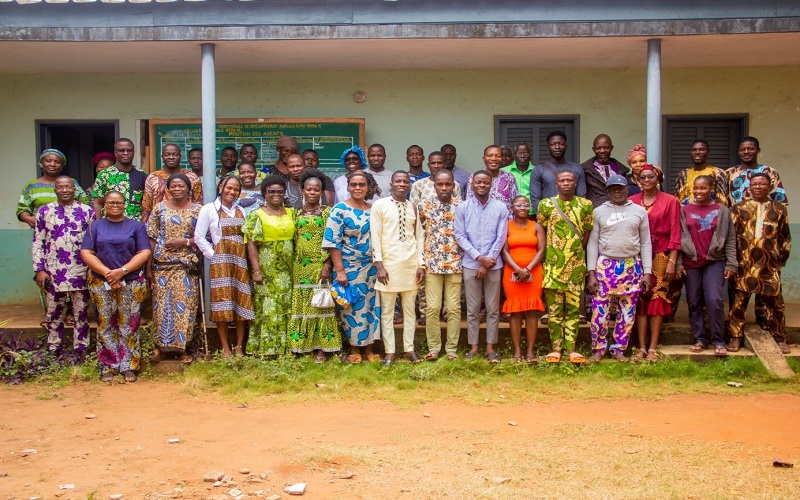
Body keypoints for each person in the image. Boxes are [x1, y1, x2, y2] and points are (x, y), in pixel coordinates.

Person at [81, 191, 151, 383]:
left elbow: (144, 251)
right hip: (101, 281)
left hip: (131, 281)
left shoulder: (135, 226)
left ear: (124, 204)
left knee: (129, 324)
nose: (114, 205)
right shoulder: (95, 226)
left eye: (118, 202)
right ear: (104, 205)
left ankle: (129, 366)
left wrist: (122, 271)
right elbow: (87, 252)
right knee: (105, 323)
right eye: (110, 202)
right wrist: (108, 273)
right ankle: (108, 365)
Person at [586, 174, 652, 363]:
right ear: (607, 191)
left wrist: (647, 272)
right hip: (605, 265)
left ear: (627, 189)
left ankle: (618, 349)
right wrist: (591, 272)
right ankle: (598, 349)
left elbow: (646, 243)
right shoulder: (599, 212)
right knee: (600, 311)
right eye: (613, 189)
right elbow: (592, 243)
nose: (617, 192)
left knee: (627, 311)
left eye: (620, 188)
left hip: (631, 266)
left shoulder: (639, 212)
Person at [726, 136, 788, 329]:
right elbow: (724, 202)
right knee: (738, 292)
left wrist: (781, 256)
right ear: (738, 151)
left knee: (770, 294)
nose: (747, 152)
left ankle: (767, 324)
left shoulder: (769, 172)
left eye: (751, 149)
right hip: (741, 236)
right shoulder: (730, 173)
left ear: (757, 150)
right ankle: (735, 331)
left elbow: (782, 221)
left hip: (767, 244)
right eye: (743, 149)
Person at [728, 172, 792, 353]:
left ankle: (779, 337)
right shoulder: (739, 208)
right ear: (749, 187)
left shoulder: (779, 208)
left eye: (762, 184)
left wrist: (781, 259)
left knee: (775, 304)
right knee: (738, 304)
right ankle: (735, 337)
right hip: (744, 264)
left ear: (770, 187)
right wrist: (732, 261)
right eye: (755, 184)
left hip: (769, 265)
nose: (758, 187)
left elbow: (784, 236)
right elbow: (732, 237)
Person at [32, 176, 94, 358]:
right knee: (53, 312)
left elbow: (94, 242)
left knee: (81, 312)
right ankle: (54, 349)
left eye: (68, 187)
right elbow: (38, 242)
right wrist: (39, 269)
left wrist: (92, 267)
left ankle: (81, 350)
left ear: (74, 189)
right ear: (55, 190)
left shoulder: (87, 211)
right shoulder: (45, 212)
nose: (65, 190)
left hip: (80, 268)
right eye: (61, 187)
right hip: (52, 270)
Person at [323, 170, 381, 363]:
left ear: (368, 187)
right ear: (348, 187)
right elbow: (333, 242)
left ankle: (370, 349)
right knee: (352, 308)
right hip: (349, 267)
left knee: (372, 308)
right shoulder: (339, 209)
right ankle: (354, 348)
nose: (357, 188)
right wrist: (339, 270)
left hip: (372, 267)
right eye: (354, 185)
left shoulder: (374, 208)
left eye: (361, 184)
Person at [195, 176, 254, 358]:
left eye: (236, 189)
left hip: (240, 260)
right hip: (220, 261)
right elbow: (199, 237)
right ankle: (225, 348)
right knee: (222, 304)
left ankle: (238, 347)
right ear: (221, 187)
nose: (232, 192)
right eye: (229, 188)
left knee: (240, 302)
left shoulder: (242, 211)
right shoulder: (209, 209)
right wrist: (215, 256)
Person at [537, 171, 594, 364]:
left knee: (572, 311)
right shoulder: (546, 205)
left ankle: (572, 349)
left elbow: (586, 233)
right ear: (556, 184)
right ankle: (555, 349)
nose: (566, 183)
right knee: (553, 311)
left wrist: (575, 251)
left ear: (575, 183)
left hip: (576, 268)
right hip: (553, 267)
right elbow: (541, 231)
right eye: (562, 180)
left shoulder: (585, 205)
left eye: (570, 180)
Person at [677, 176, 737, 356]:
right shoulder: (684, 210)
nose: (698, 192)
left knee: (714, 299)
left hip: (714, 261)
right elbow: (679, 239)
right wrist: (679, 263)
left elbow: (730, 238)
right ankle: (700, 338)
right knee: (694, 301)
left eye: (703, 188)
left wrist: (732, 263)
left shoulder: (722, 211)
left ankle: (718, 340)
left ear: (712, 188)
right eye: (696, 188)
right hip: (691, 262)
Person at [371, 171, 425, 366]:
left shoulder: (413, 208)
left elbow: (419, 237)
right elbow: (375, 235)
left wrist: (421, 264)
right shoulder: (380, 205)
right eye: (398, 181)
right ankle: (390, 352)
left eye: (405, 181)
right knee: (387, 311)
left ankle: (409, 349)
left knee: (410, 310)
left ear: (409, 185)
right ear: (391, 184)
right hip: (388, 266)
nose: (402, 184)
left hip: (410, 265)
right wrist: (379, 265)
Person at [146, 174, 201, 364]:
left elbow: (205, 237)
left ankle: (183, 349)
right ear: (168, 188)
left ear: (188, 189)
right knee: (161, 307)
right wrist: (148, 267)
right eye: (174, 186)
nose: (177, 189)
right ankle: (162, 348)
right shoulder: (159, 208)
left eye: (181, 186)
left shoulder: (198, 210)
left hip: (185, 266)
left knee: (185, 308)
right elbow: (151, 238)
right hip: (161, 266)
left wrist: (184, 241)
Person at [628, 165, 681, 362]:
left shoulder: (670, 201)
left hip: (661, 255)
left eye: (651, 176)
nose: (647, 179)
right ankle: (640, 347)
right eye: (643, 177)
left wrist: (672, 261)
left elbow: (676, 232)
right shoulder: (631, 201)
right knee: (640, 298)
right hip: (637, 255)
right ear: (637, 180)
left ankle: (652, 348)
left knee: (657, 298)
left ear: (658, 178)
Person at [455, 170, 508, 363]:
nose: (482, 185)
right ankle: (473, 347)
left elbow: (501, 236)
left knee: (494, 308)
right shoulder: (463, 207)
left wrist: (488, 260)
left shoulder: (500, 207)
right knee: (472, 308)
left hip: (494, 264)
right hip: (470, 263)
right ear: (472, 184)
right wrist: (479, 258)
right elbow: (460, 236)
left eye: (486, 182)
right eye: (478, 182)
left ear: (491, 185)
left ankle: (490, 347)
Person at [287, 170, 340, 360]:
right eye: (309, 189)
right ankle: (303, 346)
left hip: (320, 264)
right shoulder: (295, 213)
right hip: (300, 266)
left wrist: (328, 265)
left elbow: (332, 240)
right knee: (303, 306)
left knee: (321, 305)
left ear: (321, 192)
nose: (312, 193)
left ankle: (322, 349)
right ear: (302, 191)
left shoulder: (328, 212)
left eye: (316, 190)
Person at [243, 175, 295, 356]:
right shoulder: (257, 215)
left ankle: (286, 348)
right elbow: (251, 244)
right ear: (264, 193)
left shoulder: (291, 213)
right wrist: (256, 270)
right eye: (271, 191)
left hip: (287, 269)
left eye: (280, 191)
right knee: (268, 307)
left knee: (285, 305)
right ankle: (267, 348)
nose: (276, 194)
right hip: (267, 267)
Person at [417, 170, 462, 361]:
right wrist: (420, 262)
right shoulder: (423, 206)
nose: (444, 188)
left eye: (448, 184)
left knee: (453, 308)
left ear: (453, 185)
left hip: (455, 264)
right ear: (434, 185)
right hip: (432, 264)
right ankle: (434, 349)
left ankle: (451, 349)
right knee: (433, 308)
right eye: (440, 184)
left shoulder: (462, 207)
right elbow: (418, 235)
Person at [501, 195, 545, 363]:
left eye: (526, 204)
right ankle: (517, 351)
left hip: (533, 273)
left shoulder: (536, 226)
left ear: (530, 208)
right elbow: (504, 251)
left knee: (532, 311)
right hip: (512, 273)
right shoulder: (506, 226)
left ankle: (530, 351)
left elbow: (541, 250)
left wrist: (527, 269)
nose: (522, 207)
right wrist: (518, 269)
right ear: (512, 207)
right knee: (516, 312)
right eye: (518, 204)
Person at [17, 149, 89, 228]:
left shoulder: (72, 183)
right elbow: (22, 209)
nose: (52, 164)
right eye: (48, 161)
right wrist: (29, 219)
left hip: (72, 230)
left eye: (57, 162)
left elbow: (85, 205)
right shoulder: (32, 186)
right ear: (41, 163)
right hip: (43, 231)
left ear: (62, 166)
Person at [141, 143, 202, 225]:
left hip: (187, 225)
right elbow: (146, 206)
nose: (171, 157)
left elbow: (198, 203)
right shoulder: (152, 178)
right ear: (162, 157)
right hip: (159, 225)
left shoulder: (192, 177)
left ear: (180, 156)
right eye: (167, 154)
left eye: (175, 154)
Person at [529, 131, 587, 215]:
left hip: (572, 219)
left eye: (561, 144)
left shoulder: (577, 169)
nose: (557, 147)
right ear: (548, 147)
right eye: (553, 144)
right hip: (548, 219)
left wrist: (572, 216)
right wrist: (550, 216)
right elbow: (535, 200)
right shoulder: (538, 170)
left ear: (566, 146)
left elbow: (582, 198)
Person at [92, 138, 147, 221]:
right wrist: (99, 225)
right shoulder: (104, 175)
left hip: (135, 226)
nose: (126, 153)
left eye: (129, 150)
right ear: (115, 153)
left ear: (134, 153)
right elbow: (98, 203)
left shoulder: (143, 175)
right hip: (109, 225)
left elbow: (146, 205)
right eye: (122, 150)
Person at [581, 134, 633, 207]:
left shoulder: (621, 170)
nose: (602, 151)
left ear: (611, 148)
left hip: (619, 211)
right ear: (593, 149)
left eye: (606, 147)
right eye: (598, 148)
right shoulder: (585, 170)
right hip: (595, 213)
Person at [673, 139, 729, 206]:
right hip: (687, 214)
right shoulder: (683, 175)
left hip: (711, 214)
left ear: (708, 152)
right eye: (694, 150)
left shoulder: (717, 173)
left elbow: (722, 200)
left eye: (701, 149)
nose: (697, 152)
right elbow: (677, 199)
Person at [466, 145, 519, 214]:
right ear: (484, 158)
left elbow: (515, 201)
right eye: (490, 155)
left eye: (497, 156)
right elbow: (469, 202)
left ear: (502, 158)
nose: (494, 158)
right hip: (481, 220)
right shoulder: (474, 177)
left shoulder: (509, 177)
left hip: (505, 221)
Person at [502, 143, 535, 218]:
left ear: (530, 155)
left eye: (525, 153)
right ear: (513, 155)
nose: (522, 156)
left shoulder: (537, 171)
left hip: (532, 213)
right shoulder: (504, 171)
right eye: (519, 153)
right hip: (510, 214)